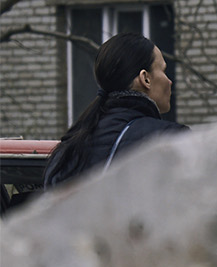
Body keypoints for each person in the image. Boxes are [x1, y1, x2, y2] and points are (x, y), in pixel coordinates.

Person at [43, 33, 185, 189]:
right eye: (163, 71)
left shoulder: (69, 147)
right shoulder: (170, 138)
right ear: (145, 79)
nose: (169, 81)